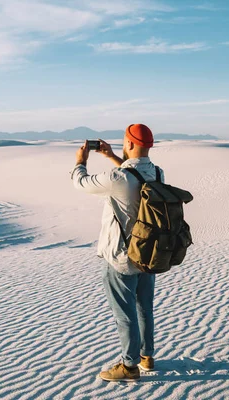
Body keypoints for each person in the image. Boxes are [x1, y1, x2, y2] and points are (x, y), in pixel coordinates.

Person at [70, 123, 164, 382]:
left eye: (124, 142)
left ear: (131, 144)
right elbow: (135, 172)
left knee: (125, 314)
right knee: (144, 307)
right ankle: (147, 356)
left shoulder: (117, 179)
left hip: (122, 258)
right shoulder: (157, 172)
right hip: (148, 254)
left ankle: (129, 366)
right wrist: (112, 156)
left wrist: (81, 161)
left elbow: (80, 183)